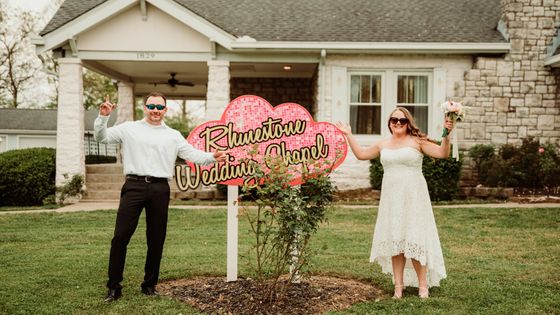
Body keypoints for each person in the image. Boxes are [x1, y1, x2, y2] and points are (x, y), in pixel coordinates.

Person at [94, 92, 227, 302]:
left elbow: (192, 154)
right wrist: (103, 117)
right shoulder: (129, 128)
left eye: (159, 107)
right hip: (133, 186)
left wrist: (212, 156)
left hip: (160, 188)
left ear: (165, 110)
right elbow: (101, 137)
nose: (155, 111)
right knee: (120, 237)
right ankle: (113, 287)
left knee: (156, 239)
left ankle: (149, 285)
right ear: (144, 108)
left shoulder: (172, 135)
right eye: (151, 106)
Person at [336, 107, 454, 299]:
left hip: (414, 197)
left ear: (408, 123)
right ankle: (398, 287)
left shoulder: (418, 142)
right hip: (392, 199)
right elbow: (361, 154)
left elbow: (442, 153)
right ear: (389, 123)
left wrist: (446, 134)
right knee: (395, 241)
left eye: (402, 120)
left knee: (414, 238)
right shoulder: (383, 144)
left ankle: (423, 287)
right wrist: (348, 134)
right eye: (394, 120)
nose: (397, 123)